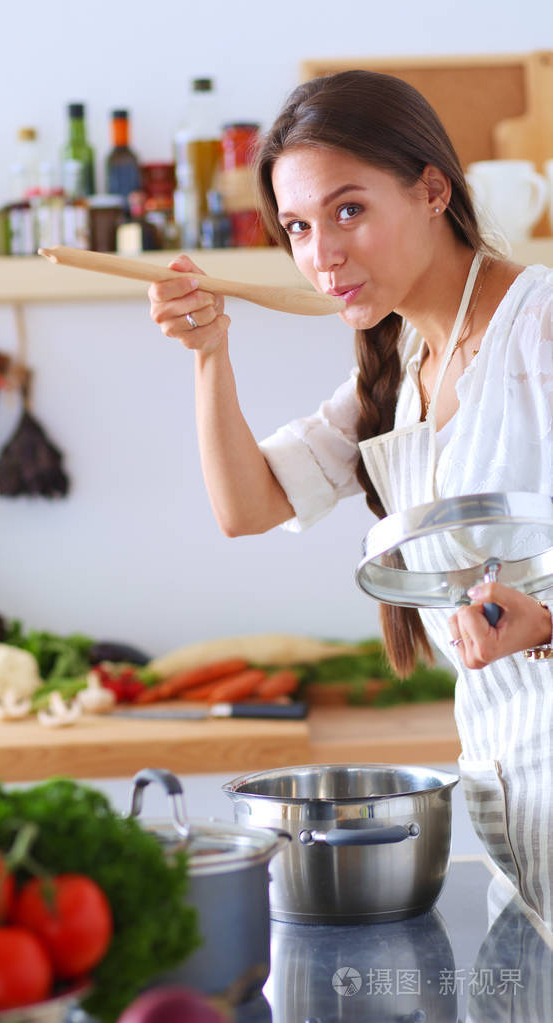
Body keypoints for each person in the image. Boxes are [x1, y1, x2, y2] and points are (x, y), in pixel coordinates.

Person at [148, 69, 553, 927]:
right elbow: (247, 506)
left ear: (433, 190)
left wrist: (545, 622)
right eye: (298, 226)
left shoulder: (538, 331)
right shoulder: (400, 364)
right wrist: (210, 354)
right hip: (515, 813)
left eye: (349, 210)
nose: (321, 255)